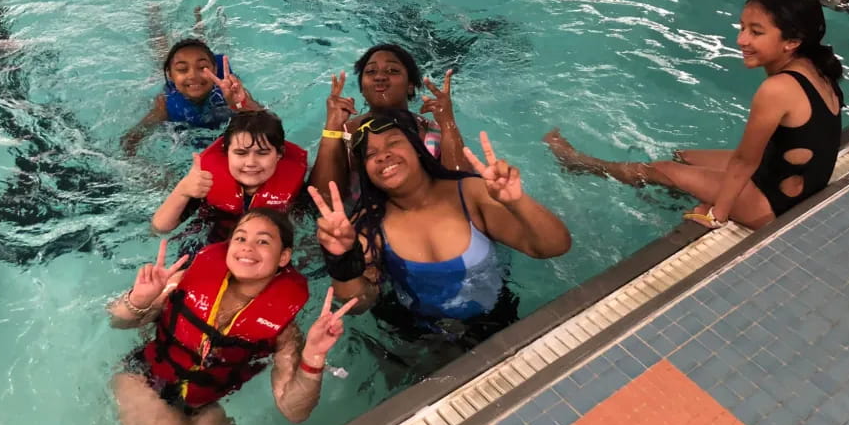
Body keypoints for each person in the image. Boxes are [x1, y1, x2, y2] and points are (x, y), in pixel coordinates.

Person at [544, 0, 844, 230]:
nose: (741, 39)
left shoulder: (777, 88)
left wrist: (717, 213)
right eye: (742, 27)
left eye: (756, 32)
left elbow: (744, 162)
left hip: (775, 203)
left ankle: (580, 164)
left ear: (792, 40)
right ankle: (679, 192)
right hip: (793, 182)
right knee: (684, 157)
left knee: (658, 169)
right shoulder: (817, 68)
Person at [104, 209, 356, 425]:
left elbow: (293, 410)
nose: (248, 247)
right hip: (143, 381)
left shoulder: (283, 331)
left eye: (263, 241)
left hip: (198, 403)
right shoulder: (182, 282)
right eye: (240, 238)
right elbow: (119, 322)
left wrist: (313, 357)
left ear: (283, 258)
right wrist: (140, 298)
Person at [308, 110, 570, 369]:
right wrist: (341, 259)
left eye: (393, 143)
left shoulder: (470, 194)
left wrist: (517, 202)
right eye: (371, 154)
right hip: (416, 334)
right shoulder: (368, 225)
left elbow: (554, 246)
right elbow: (359, 304)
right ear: (365, 170)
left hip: (495, 317)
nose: (383, 155)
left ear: (416, 147)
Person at [308, 43, 470, 201]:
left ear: (410, 86)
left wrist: (448, 123)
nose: (379, 77)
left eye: (392, 70)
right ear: (362, 90)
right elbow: (322, 202)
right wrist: (332, 126)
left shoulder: (431, 131)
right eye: (371, 71)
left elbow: (463, 193)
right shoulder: (343, 133)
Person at [152, 109, 308, 248]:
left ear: (279, 154)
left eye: (262, 153)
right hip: (209, 240)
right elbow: (160, 228)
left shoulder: (297, 189)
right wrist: (183, 190)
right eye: (240, 153)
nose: (251, 163)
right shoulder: (206, 183)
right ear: (226, 153)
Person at [122, 37, 261, 155]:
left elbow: (269, 123)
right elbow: (128, 142)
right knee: (162, 54)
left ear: (215, 69)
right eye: (182, 69)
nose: (193, 76)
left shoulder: (231, 92)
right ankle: (155, 19)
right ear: (170, 75)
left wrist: (242, 104)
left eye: (202, 68)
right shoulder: (164, 106)